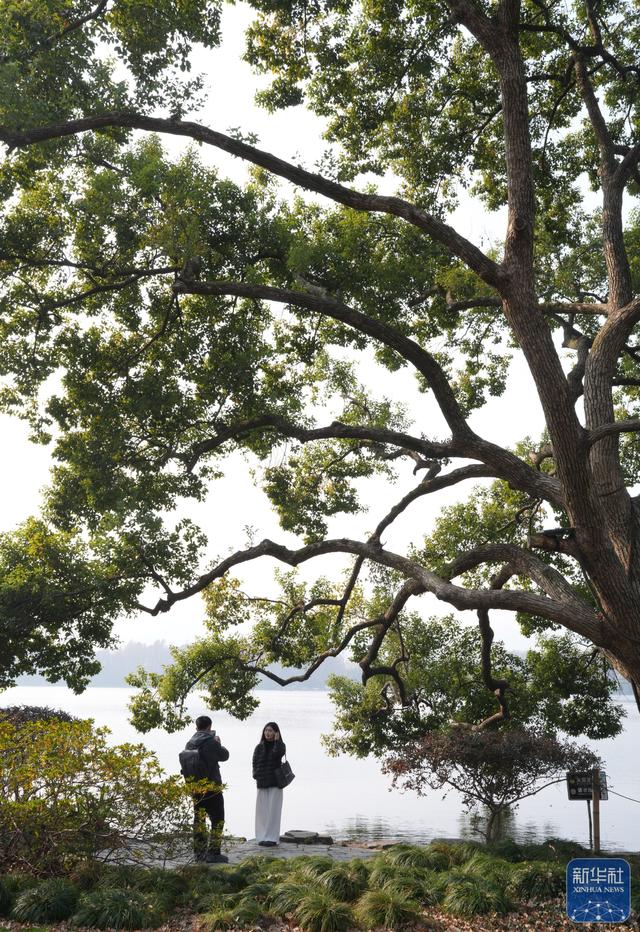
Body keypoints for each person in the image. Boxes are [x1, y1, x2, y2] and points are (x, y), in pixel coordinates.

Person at [183, 715, 230, 864]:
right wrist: (219, 743)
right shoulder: (211, 742)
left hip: (196, 787)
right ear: (210, 726)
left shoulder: (190, 743)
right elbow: (225, 756)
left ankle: (199, 853)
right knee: (217, 820)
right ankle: (214, 853)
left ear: (196, 727)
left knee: (199, 820)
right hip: (212, 787)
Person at [252, 721, 286, 847]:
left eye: (271, 730)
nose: (267, 733)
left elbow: (278, 754)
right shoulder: (259, 747)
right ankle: (261, 836)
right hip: (261, 781)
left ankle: (272, 838)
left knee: (274, 811)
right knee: (261, 811)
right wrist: (255, 774)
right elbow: (254, 762)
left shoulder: (281, 745)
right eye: (266, 730)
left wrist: (277, 741)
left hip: (275, 782)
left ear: (276, 733)